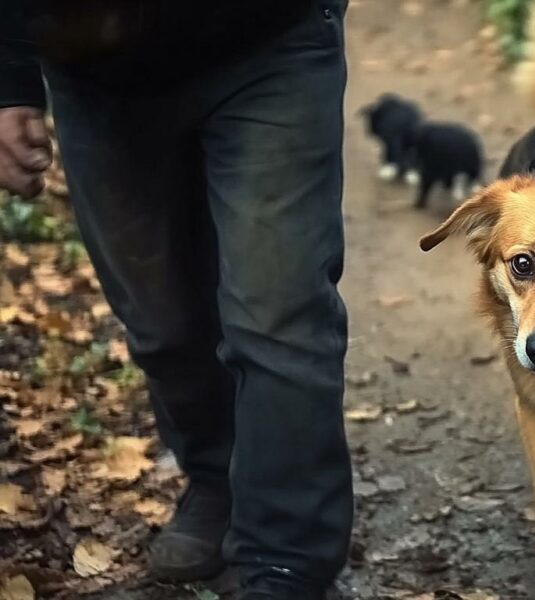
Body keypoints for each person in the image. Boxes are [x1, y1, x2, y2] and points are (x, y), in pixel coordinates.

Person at [0, 1, 354, 598]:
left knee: (279, 315)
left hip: (272, 44)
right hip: (95, 73)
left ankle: (287, 559)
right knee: (163, 321)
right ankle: (217, 481)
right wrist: (9, 80)